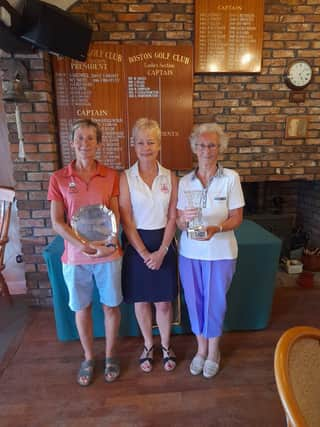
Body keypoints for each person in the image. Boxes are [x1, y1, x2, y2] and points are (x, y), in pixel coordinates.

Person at [47, 118, 123, 386]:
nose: (85, 143)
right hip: (76, 257)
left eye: (91, 138)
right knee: (82, 309)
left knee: (111, 307)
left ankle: (111, 355)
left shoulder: (111, 176)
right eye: (80, 138)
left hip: (108, 255)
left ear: (99, 143)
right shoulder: (58, 178)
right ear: (71, 142)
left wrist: (109, 244)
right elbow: (57, 222)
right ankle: (89, 357)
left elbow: (116, 215)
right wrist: (83, 246)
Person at [176, 123, 245, 379]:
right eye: (202, 145)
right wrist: (183, 220)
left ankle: (214, 352)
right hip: (190, 253)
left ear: (220, 148)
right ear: (195, 148)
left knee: (215, 303)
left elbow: (237, 217)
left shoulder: (231, 178)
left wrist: (216, 227)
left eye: (212, 145)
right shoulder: (185, 182)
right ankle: (201, 350)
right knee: (195, 303)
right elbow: (180, 221)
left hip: (221, 252)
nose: (207, 150)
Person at [119, 118, 178, 373]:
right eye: (141, 142)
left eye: (150, 142)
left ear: (159, 145)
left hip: (163, 244)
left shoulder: (171, 176)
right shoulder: (126, 177)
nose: (146, 147)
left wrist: (162, 250)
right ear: (134, 145)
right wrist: (144, 253)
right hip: (137, 246)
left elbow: (173, 216)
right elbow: (126, 219)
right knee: (141, 301)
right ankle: (147, 346)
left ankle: (166, 346)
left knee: (164, 302)